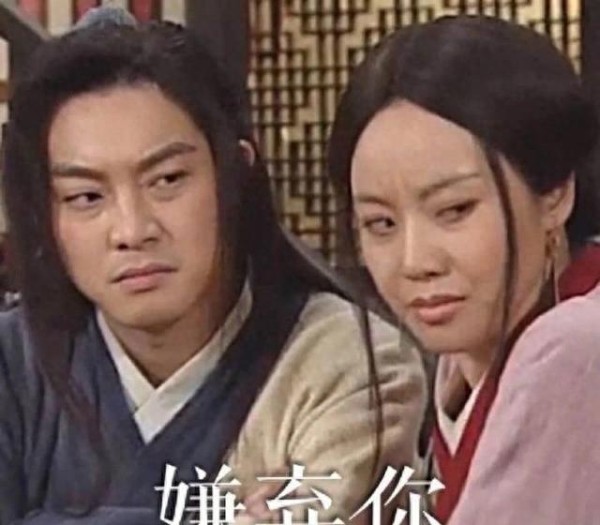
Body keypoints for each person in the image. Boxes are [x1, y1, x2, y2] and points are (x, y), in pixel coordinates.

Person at [0, 19, 426, 524]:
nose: (132, 230)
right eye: (86, 197)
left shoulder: (349, 364)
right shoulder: (13, 364)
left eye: (167, 179)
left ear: (236, 173)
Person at [327, 15, 600, 522]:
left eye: (454, 210)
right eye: (381, 223)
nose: (416, 262)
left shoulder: (573, 347)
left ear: (554, 194)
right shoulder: (462, 363)